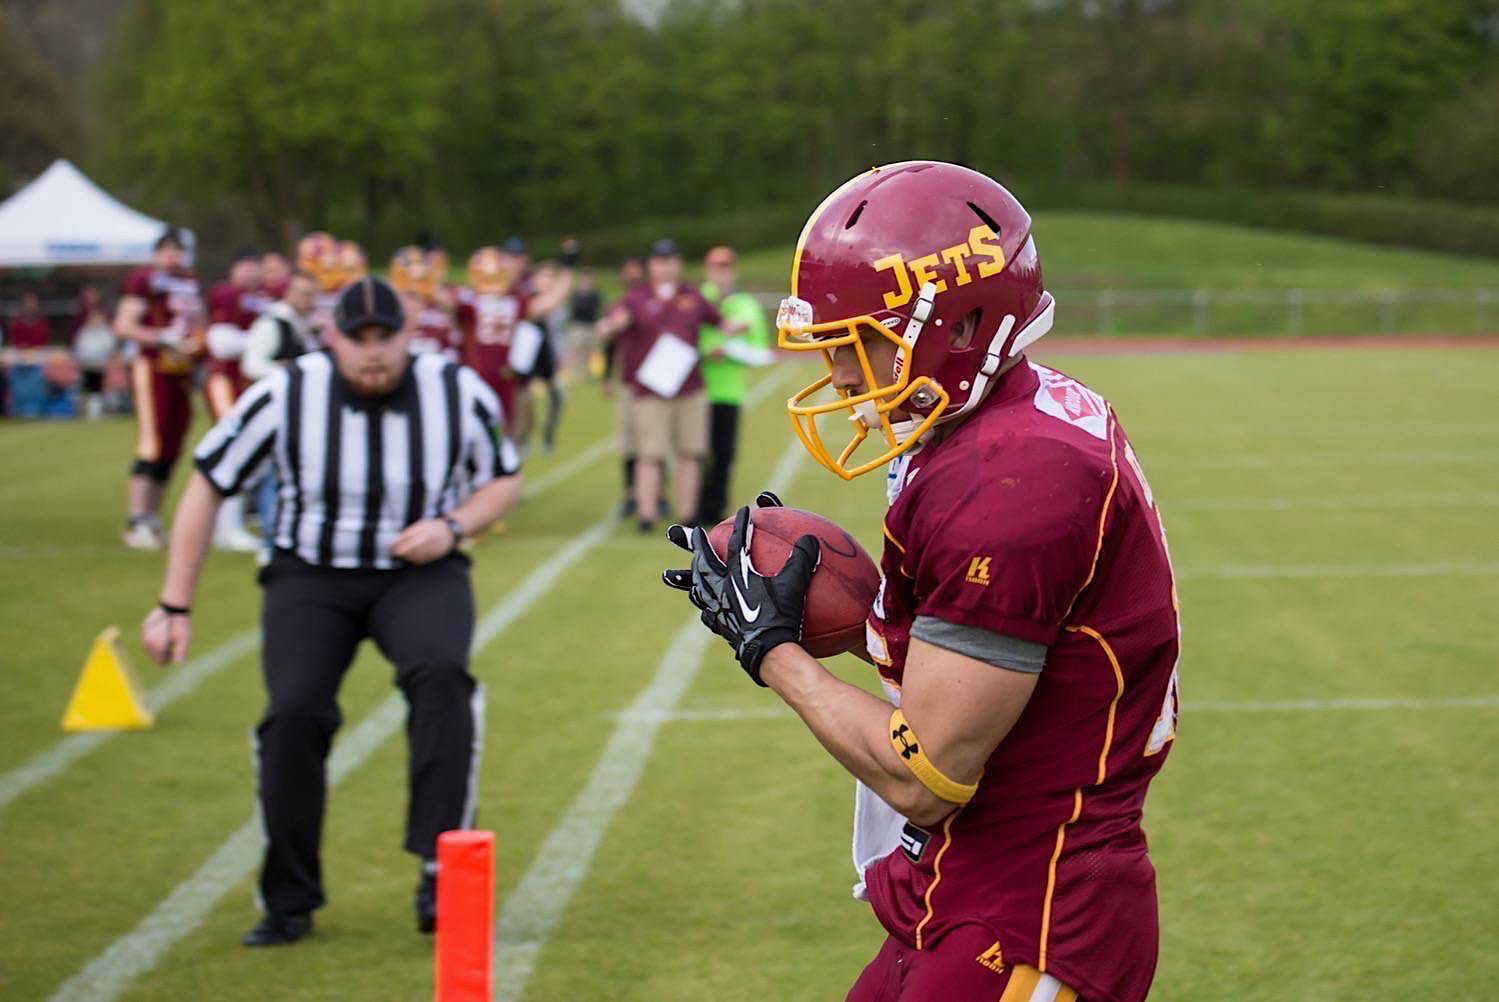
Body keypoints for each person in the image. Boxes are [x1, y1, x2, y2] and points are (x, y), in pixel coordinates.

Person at [662, 162, 1180, 1002]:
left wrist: (773, 651)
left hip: (1035, 904)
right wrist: (874, 622)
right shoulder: (997, 412)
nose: (839, 376)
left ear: (960, 324)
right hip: (965, 875)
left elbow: (927, 777)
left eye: (859, 340)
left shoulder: (1013, 478)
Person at [140, 276, 521, 947]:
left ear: (408, 334)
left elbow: (503, 474)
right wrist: (174, 603)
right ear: (331, 337)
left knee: (441, 678)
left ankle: (443, 868)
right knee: (293, 711)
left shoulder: (455, 387)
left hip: (418, 570)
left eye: (386, 337)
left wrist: (454, 527)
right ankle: (288, 895)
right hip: (309, 575)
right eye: (358, 339)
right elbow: (207, 481)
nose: (372, 354)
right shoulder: (287, 390)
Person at [597, 238, 742, 533]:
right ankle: (647, 514)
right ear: (651, 265)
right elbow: (609, 324)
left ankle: (688, 515)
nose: (666, 266)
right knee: (650, 454)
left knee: (690, 452)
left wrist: (741, 326)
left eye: (671, 260)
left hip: (688, 387)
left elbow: (721, 323)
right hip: (650, 390)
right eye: (660, 260)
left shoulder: (692, 295)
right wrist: (612, 326)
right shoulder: (636, 297)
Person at [115, 228, 204, 550]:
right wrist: (160, 337)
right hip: (153, 367)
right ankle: (137, 518)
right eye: (166, 250)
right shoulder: (145, 280)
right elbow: (124, 325)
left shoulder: (189, 280)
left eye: (177, 250)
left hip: (181, 370)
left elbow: (196, 321)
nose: (172, 256)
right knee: (152, 442)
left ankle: (151, 517)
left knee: (172, 443)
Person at [695, 245, 773, 525]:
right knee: (694, 454)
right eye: (717, 267)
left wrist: (726, 349)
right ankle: (693, 507)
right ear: (708, 271)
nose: (721, 274)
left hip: (729, 391)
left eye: (726, 267)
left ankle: (714, 508)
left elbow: (760, 350)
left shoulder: (745, 304)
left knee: (723, 455)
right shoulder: (697, 299)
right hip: (696, 391)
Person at [204, 250, 267, 552]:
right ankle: (225, 528)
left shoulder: (262, 296)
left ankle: (232, 523)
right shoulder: (228, 294)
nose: (253, 271)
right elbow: (220, 343)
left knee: (246, 450)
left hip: (248, 384)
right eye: (247, 265)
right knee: (233, 448)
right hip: (225, 382)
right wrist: (258, 342)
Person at [70, 286, 117, 419]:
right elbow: (79, 347)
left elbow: (110, 347)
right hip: (85, 365)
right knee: (82, 387)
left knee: (98, 387)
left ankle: (97, 412)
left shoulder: (106, 332)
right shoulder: (84, 332)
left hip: (101, 365)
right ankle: (80, 411)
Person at [3, 292, 53, 417]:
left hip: (37, 353)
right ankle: (14, 405)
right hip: (20, 353)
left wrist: (33, 350)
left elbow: (44, 339)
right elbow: (14, 338)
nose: (30, 305)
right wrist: (22, 348)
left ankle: (37, 406)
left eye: (32, 302)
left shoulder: (42, 321)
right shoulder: (17, 321)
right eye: (27, 302)